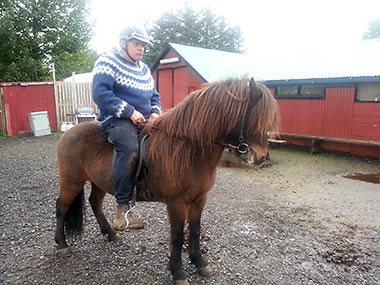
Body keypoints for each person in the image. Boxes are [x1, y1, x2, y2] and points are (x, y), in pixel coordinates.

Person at [92, 25, 161, 231]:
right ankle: (122, 211)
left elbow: (154, 96)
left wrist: (156, 113)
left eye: (143, 45)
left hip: (146, 119)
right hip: (116, 119)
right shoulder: (107, 61)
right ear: (123, 43)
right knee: (130, 148)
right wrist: (129, 111)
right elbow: (100, 93)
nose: (141, 49)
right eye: (137, 44)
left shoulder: (144, 69)